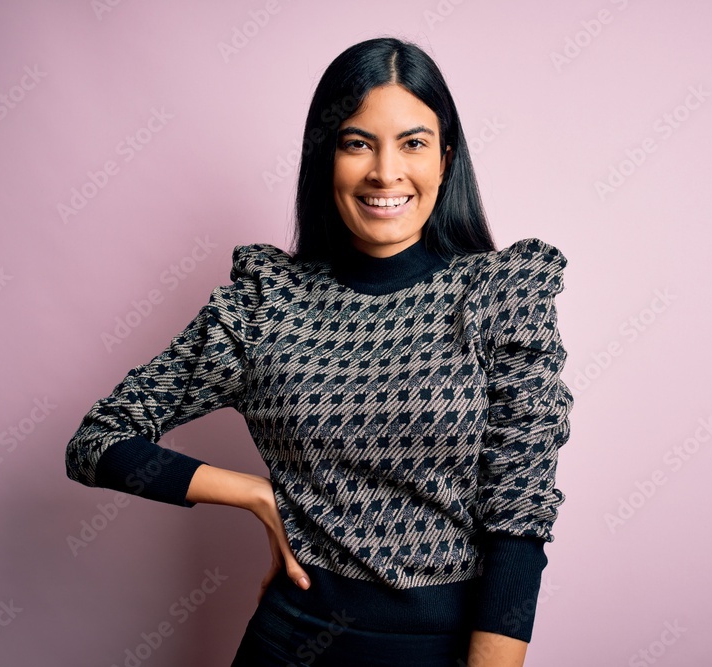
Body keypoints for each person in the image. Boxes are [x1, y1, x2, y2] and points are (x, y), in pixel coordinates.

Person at [65, 36, 573, 667]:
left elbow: (518, 519)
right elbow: (97, 442)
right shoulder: (265, 305)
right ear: (324, 158)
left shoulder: (500, 296)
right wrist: (255, 495)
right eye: (357, 143)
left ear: (445, 159)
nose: (386, 172)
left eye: (412, 143)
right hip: (286, 641)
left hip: (440, 649)